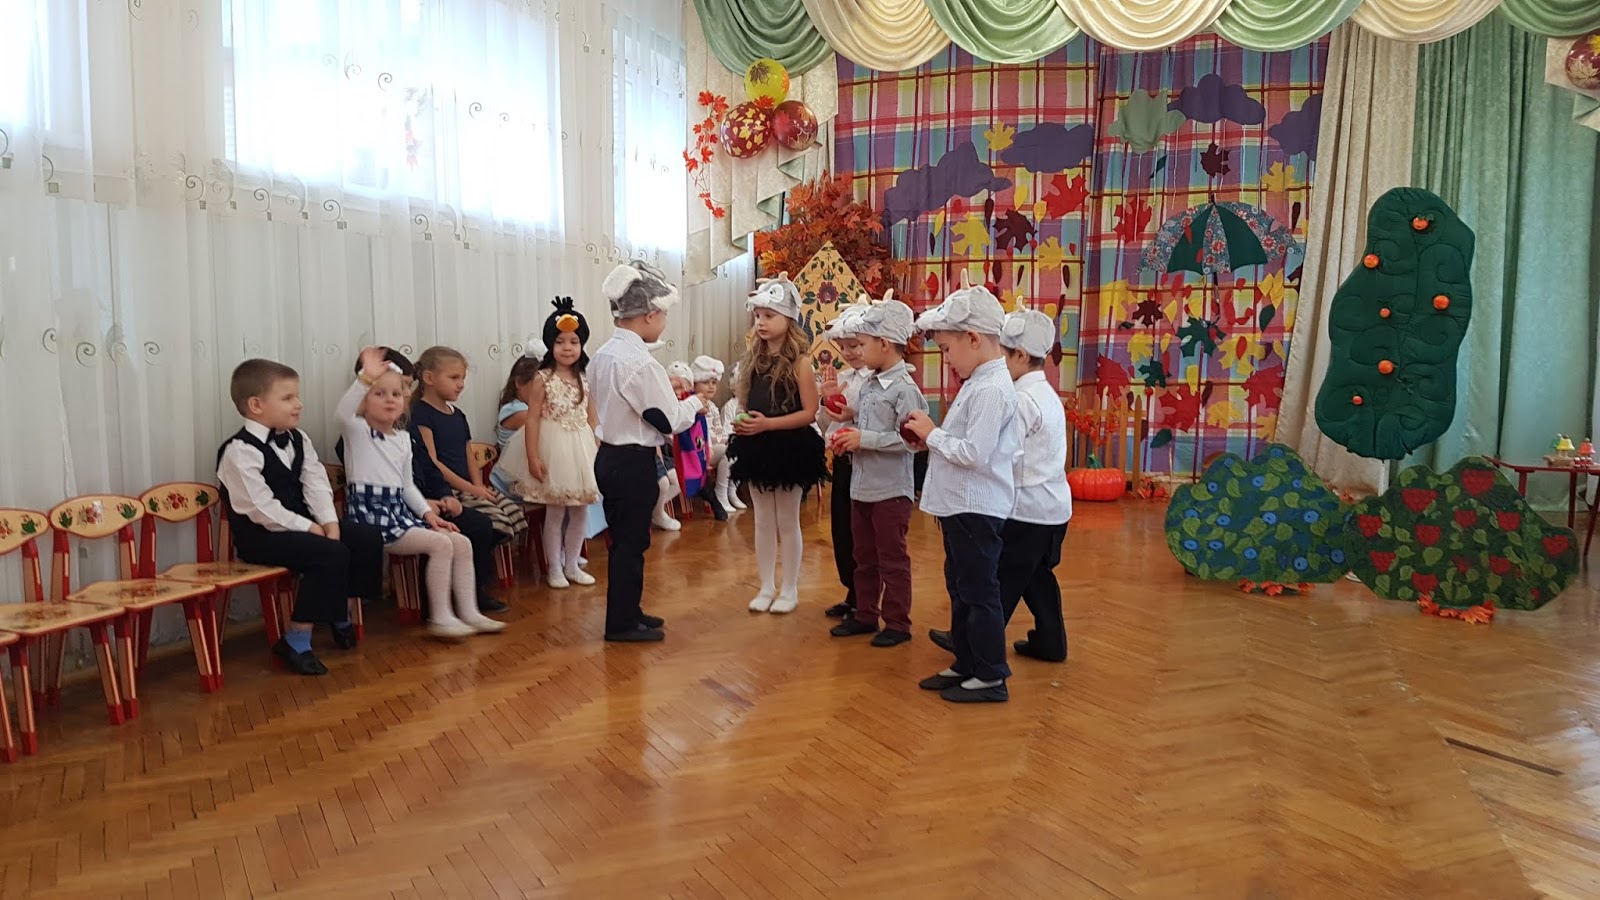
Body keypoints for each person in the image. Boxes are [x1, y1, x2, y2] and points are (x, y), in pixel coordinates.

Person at [217, 359, 383, 675]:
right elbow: (260, 507)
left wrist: (329, 523)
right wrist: (309, 527)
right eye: (288, 398)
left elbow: (315, 483)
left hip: (303, 527)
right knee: (329, 553)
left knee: (365, 538)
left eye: (297, 396)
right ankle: (296, 639)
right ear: (256, 405)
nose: (299, 404)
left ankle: (340, 610)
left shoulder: (298, 438)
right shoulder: (238, 451)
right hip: (263, 537)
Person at [901, 278, 1020, 703]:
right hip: (960, 508)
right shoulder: (978, 381)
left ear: (973, 338)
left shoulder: (991, 388)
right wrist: (930, 440)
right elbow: (963, 443)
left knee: (979, 592)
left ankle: (990, 676)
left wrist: (932, 434)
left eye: (948, 349)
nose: (947, 358)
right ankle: (967, 663)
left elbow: (974, 454)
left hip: (976, 510)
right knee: (961, 587)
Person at [930, 309, 1071, 662]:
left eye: (1002, 355)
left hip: (1025, 508)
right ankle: (1050, 641)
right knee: (1036, 576)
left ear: (1020, 355)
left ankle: (974, 643)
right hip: (1053, 507)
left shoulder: (1020, 399)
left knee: (998, 579)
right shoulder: (1047, 394)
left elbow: (1001, 452)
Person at [339, 347, 507, 640]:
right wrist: (366, 377)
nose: (390, 400)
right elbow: (343, 412)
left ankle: (469, 611)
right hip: (371, 519)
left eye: (397, 394)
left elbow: (407, 487)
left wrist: (429, 515)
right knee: (440, 545)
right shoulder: (357, 433)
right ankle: (440, 616)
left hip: (399, 515)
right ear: (364, 401)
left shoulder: (404, 440)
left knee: (460, 542)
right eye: (379, 394)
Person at [589, 261, 706, 642]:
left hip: (609, 456)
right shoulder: (640, 363)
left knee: (626, 540)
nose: (665, 322)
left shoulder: (603, 355)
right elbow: (667, 420)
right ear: (651, 313)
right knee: (630, 543)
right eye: (665, 314)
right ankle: (621, 624)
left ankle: (629, 611)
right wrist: (696, 403)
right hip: (632, 460)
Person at [826, 297, 927, 647]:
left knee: (892, 559)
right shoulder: (870, 383)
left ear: (884, 343)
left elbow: (912, 441)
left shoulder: (905, 389)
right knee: (863, 556)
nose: (857, 351)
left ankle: (898, 623)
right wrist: (847, 420)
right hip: (862, 487)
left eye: (862, 344)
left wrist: (863, 439)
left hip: (890, 492)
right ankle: (865, 614)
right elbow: (866, 419)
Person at [729, 273, 829, 614]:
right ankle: (766, 585)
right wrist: (741, 419)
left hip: (789, 448)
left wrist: (768, 424)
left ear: (788, 318)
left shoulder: (801, 363)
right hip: (757, 447)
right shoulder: (752, 362)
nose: (761, 322)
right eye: (757, 316)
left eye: (769, 315)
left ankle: (789, 588)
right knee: (761, 520)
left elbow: (810, 412)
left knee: (787, 520)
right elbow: (745, 402)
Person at [496, 297, 601, 589]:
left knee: (580, 510)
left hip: (581, 449)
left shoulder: (586, 378)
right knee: (555, 511)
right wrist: (533, 457)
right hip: (553, 449)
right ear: (550, 345)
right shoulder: (543, 378)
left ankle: (572, 565)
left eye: (574, 342)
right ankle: (554, 568)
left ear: (582, 344)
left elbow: (593, 419)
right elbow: (532, 420)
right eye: (560, 342)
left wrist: (596, 450)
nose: (567, 348)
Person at [410, 345, 529, 545]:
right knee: (493, 521)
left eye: (463, 378)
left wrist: (478, 485)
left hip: (469, 487)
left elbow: (468, 454)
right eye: (454, 378)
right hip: (449, 491)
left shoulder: (458, 415)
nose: (461, 384)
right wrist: (471, 489)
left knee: (513, 512)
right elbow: (432, 463)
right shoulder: (422, 414)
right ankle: (476, 557)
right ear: (429, 378)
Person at [818, 300, 870, 619]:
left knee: (863, 533)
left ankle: (865, 597)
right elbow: (828, 425)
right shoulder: (846, 378)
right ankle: (852, 590)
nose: (849, 352)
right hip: (842, 461)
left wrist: (853, 414)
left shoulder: (883, 379)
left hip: (867, 463)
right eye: (844, 346)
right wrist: (828, 402)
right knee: (842, 530)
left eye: (856, 345)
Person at [669, 360, 727, 521]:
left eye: (683, 386)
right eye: (675, 387)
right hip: (673, 452)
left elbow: (705, 431)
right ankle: (716, 500)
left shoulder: (702, 406)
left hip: (698, 450)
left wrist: (708, 447)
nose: (679, 391)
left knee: (704, 466)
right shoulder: (674, 404)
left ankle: (721, 496)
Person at [692, 355, 738, 514]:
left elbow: (719, 430)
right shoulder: (692, 405)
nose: (711, 387)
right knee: (728, 451)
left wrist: (725, 440)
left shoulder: (712, 406)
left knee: (734, 448)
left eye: (714, 383)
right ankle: (721, 492)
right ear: (694, 383)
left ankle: (729, 491)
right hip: (697, 451)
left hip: (712, 448)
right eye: (706, 383)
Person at [720, 364, 749, 511]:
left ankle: (733, 490)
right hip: (735, 440)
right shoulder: (730, 406)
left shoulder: (751, 404)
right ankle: (728, 492)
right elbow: (726, 429)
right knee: (736, 454)